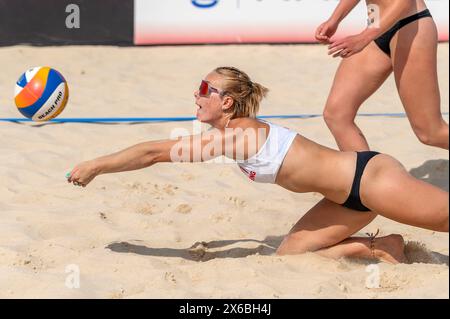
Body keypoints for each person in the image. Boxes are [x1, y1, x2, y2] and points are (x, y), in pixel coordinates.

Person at [67, 67, 449, 264]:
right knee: (290, 256)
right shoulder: (234, 133)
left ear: (228, 102)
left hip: (371, 181)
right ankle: (382, 247)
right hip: (345, 200)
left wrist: (97, 165)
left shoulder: (238, 137)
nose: (197, 96)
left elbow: (153, 153)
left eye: (205, 90)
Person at [315, 0, 449, 151]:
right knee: (337, 115)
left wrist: (363, 38)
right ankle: (368, 174)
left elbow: (404, 2)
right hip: (377, 26)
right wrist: (334, 20)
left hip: (409, 25)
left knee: (431, 133)